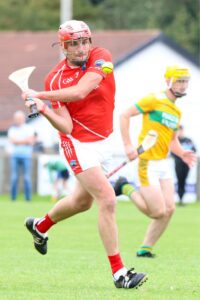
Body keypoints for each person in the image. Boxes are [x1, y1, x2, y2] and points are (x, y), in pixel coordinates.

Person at [21, 20, 147, 289]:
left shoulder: (102, 58)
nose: (80, 49)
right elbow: (65, 125)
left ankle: (40, 226)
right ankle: (119, 274)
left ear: (90, 41)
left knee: (82, 202)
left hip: (104, 139)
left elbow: (81, 90)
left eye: (83, 42)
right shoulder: (54, 79)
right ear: (63, 47)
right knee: (107, 199)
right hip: (76, 143)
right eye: (73, 44)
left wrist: (38, 95)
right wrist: (44, 110)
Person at [114, 65, 196, 257]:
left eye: (185, 82)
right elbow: (124, 115)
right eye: (179, 81)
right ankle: (125, 187)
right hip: (146, 162)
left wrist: (182, 152)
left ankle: (145, 248)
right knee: (157, 212)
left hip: (163, 163)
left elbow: (172, 140)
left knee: (170, 209)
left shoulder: (176, 112)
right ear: (168, 81)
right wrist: (127, 145)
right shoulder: (154, 99)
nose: (183, 86)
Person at [7, 110, 35, 201]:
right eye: (16, 118)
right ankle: (13, 198)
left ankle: (28, 199)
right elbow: (12, 141)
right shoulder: (12, 129)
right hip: (15, 156)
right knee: (14, 177)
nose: (18, 120)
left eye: (20, 118)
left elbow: (30, 141)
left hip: (26, 156)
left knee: (27, 178)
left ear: (23, 118)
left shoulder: (29, 128)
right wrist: (24, 141)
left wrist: (18, 141)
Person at [172, 125, 196, 205]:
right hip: (178, 163)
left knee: (184, 180)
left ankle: (182, 198)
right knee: (179, 181)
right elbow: (172, 152)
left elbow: (193, 150)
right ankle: (180, 198)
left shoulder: (188, 140)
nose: (180, 132)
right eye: (178, 130)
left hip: (186, 164)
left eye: (181, 130)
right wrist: (180, 155)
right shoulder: (175, 141)